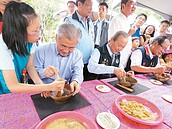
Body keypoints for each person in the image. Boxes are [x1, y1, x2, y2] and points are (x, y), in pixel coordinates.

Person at [0, 1, 64, 95]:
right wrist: (48, 86)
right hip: (5, 90)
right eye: (35, 31)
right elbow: (13, 86)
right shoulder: (3, 46)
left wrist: (40, 85)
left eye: (39, 29)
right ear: (19, 33)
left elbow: (30, 66)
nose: (38, 34)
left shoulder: (31, 41)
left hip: (21, 85)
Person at [34, 23, 83, 95]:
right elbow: (32, 73)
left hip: (64, 91)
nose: (66, 51)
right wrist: (43, 72)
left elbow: (78, 73)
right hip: (44, 91)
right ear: (56, 38)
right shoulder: (41, 51)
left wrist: (76, 81)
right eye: (63, 46)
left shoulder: (77, 55)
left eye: (71, 48)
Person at [64, 0, 94, 81]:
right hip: (75, 64)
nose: (91, 8)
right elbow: (65, 43)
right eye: (89, 5)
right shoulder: (69, 20)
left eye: (92, 5)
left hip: (89, 63)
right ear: (80, 4)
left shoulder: (90, 21)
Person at [108, 0, 137, 68]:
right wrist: (129, 33)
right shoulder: (117, 19)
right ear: (123, 6)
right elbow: (112, 40)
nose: (134, 7)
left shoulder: (127, 20)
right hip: (116, 59)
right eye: (132, 4)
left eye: (135, 4)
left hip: (124, 58)